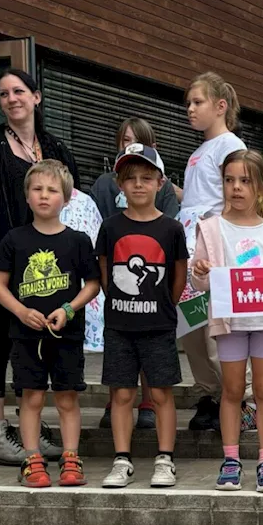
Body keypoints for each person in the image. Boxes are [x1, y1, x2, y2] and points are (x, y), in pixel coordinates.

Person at [0, 68, 78, 466]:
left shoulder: (55, 145)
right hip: (1, 268)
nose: (12, 99)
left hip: (49, 272)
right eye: (4, 93)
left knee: (39, 352)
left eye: (19, 91)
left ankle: (33, 431)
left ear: (36, 97)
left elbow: (74, 203)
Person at [192, 150, 263, 492]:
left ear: (260, 188)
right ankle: (231, 460)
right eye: (229, 180)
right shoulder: (210, 228)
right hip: (229, 324)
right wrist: (200, 274)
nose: (236, 188)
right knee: (233, 391)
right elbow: (200, 279)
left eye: (245, 181)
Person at [0, 160, 100, 487]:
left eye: (52, 190)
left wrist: (69, 308)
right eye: (37, 189)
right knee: (32, 397)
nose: (44, 196)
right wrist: (21, 311)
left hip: (66, 335)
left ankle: (70, 457)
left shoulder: (78, 241)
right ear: (27, 196)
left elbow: (93, 284)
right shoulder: (14, 239)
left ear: (66, 199)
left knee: (67, 397)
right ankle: (32, 458)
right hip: (25, 336)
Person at [95, 144, 188, 489]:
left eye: (146, 178)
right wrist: (122, 302)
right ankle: (122, 459)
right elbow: (105, 271)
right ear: (119, 183)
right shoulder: (110, 227)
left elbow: (179, 274)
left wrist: (162, 305)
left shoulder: (171, 229)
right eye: (130, 178)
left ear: (160, 182)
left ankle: (165, 458)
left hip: (159, 325)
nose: (138, 184)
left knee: (161, 394)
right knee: (121, 394)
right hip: (120, 325)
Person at [91, 117, 180, 431]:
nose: (138, 183)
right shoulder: (104, 187)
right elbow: (102, 260)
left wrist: (167, 296)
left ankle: (148, 404)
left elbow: (178, 269)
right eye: (124, 139)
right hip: (119, 284)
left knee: (155, 364)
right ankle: (118, 408)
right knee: (121, 365)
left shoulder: (167, 209)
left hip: (155, 293)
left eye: (136, 139)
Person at [179, 72, 250, 433]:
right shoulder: (198, 151)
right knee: (191, 328)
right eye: (188, 103)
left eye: (197, 102)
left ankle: (242, 398)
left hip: (213, 248)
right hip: (191, 251)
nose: (189, 109)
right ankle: (210, 393)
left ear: (220, 106)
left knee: (217, 329)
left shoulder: (230, 146)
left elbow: (236, 196)